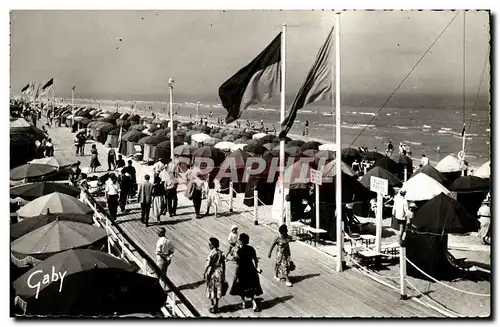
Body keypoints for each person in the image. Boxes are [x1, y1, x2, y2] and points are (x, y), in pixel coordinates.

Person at [229, 233, 263, 312]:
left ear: (241, 241)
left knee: (242, 287)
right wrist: (256, 267)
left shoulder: (239, 251)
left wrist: (233, 255)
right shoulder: (251, 248)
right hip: (251, 269)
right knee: (251, 286)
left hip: (242, 270)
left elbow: (237, 262)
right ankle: (253, 302)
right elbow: (255, 259)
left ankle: (243, 303)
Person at [203, 237, 226, 314]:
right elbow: (224, 265)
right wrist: (224, 274)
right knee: (218, 288)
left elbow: (207, 264)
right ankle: (216, 305)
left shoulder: (211, 253)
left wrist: (204, 273)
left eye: (210, 244)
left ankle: (212, 305)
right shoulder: (221, 253)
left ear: (212, 245)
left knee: (211, 288)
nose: (209, 245)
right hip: (219, 272)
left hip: (212, 272)